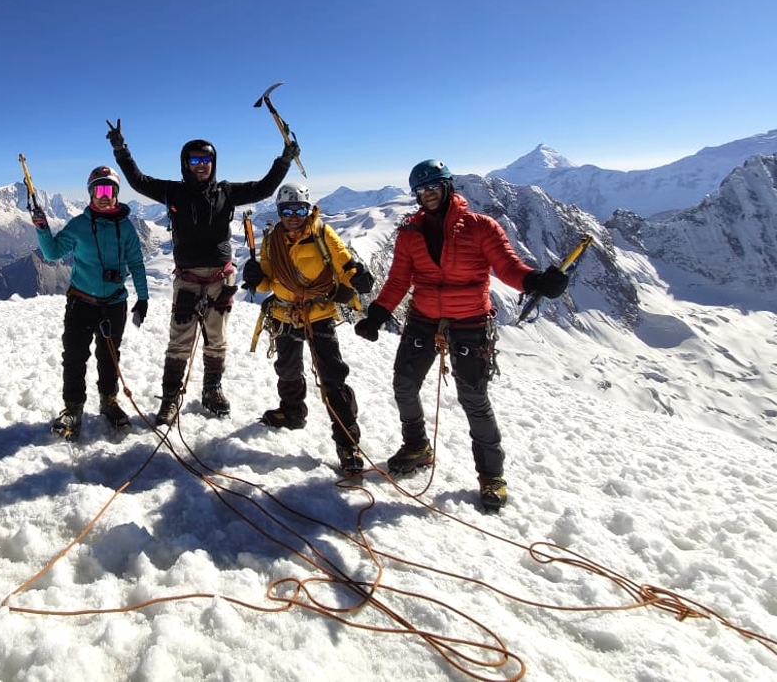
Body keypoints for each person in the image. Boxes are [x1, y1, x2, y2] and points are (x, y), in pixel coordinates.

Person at [353, 159, 569, 510]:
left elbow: (508, 267)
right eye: (421, 190)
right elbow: (398, 280)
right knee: (404, 384)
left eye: (433, 187)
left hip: (470, 322)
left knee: (473, 398)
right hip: (423, 316)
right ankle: (417, 447)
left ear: (448, 186)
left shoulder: (480, 227)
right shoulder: (410, 233)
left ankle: (491, 477)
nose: (428, 194)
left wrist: (535, 282)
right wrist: (377, 315)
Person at [106, 119, 298, 425]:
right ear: (185, 164)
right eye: (195, 160)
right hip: (188, 278)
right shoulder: (173, 192)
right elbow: (139, 181)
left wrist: (284, 159)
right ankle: (170, 399)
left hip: (221, 278)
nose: (201, 165)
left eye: (206, 160)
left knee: (216, 338)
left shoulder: (227, 192)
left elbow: (264, 188)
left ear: (214, 163)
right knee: (180, 340)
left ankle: (211, 390)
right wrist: (121, 150)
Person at [240, 183, 375, 475]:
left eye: (299, 209)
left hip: (318, 313)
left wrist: (358, 277)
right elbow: (268, 279)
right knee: (287, 368)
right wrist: (255, 279)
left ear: (308, 209)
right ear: (279, 212)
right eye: (286, 210)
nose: (293, 215)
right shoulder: (272, 240)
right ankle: (292, 412)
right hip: (284, 312)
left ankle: (347, 441)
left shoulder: (323, 234)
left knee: (332, 377)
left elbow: (344, 264)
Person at [32, 165, 150, 441]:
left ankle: (108, 401)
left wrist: (143, 298)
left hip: (114, 303)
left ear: (117, 193)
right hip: (81, 302)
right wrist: (42, 229)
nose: (104, 195)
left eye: (109, 190)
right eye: (98, 190)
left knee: (109, 357)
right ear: (90, 194)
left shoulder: (126, 228)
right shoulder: (79, 225)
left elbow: (137, 263)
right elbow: (51, 253)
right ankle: (73, 408)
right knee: (74, 357)